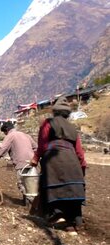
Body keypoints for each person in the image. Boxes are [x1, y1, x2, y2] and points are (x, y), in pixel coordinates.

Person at [29, 96, 87, 235]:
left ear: (54, 112)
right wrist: (82, 166)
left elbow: (42, 145)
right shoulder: (72, 128)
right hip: (72, 160)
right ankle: (75, 223)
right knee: (72, 188)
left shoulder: (48, 123)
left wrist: (35, 159)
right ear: (67, 114)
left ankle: (58, 217)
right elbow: (79, 151)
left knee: (54, 186)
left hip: (53, 160)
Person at [0, 121, 37, 204]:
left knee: (22, 184)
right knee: (31, 183)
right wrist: (33, 157)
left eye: (4, 132)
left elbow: (2, 149)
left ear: (7, 130)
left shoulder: (10, 136)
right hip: (32, 162)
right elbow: (36, 147)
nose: (5, 134)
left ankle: (31, 204)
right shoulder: (25, 135)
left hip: (21, 163)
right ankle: (31, 201)